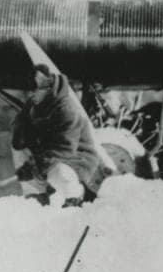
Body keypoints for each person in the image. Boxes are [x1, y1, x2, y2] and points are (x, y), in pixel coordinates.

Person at [11, 63, 104, 207]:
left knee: (58, 172)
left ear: (48, 89)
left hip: (76, 158)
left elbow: (64, 149)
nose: (31, 94)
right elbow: (20, 140)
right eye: (30, 90)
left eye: (35, 90)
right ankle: (37, 195)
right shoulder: (34, 105)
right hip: (47, 157)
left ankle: (76, 194)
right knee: (21, 154)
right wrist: (21, 127)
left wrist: (33, 167)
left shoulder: (67, 110)